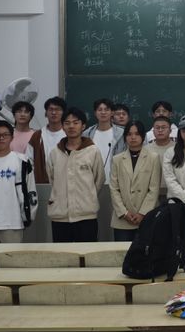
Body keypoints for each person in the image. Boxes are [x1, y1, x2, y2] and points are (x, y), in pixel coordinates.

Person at [47, 107, 105, 242]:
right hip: (60, 215)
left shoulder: (93, 151)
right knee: (62, 253)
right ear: (62, 126)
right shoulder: (55, 153)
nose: (71, 126)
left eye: (76, 122)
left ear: (83, 126)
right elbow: (52, 179)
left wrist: (88, 196)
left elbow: (99, 179)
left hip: (86, 215)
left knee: (87, 253)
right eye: (67, 123)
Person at [109, 120, 160, 241]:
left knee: (144, 251)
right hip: (122, 218)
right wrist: (124, 213)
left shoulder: (153, 158)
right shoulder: (117, 159)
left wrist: (142, 213)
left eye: (137, 134)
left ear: (143, 136)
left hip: (146, 217)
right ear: (125, 137)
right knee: (122, 251)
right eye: (129, 134)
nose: (133, 137)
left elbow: (154, 190)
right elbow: (114, 189)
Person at [83, 98, 126, 179]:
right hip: (92, 180)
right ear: (95, 113)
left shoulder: (121, 134)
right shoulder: (87, 134)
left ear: (112, 113)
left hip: (116, 179)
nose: (103, 112)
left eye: (106, 110)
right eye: (100, 110)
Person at [27, 96, 66, 183]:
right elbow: (29, 161)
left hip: (66, 183)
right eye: (50, 109)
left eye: (57, 109)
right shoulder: (37, 136)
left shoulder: (69, 135)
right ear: (46, 113)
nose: (54, 112)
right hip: (42, 184)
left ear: (63, 113)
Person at [146, 116, 175, 203]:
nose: (160, 130)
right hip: (151, 192)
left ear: (170, 130)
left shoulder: (178, 148)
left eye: (163, 127)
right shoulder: (146, 150)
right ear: (153, 131)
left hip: (174, 192)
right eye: (157, 128)